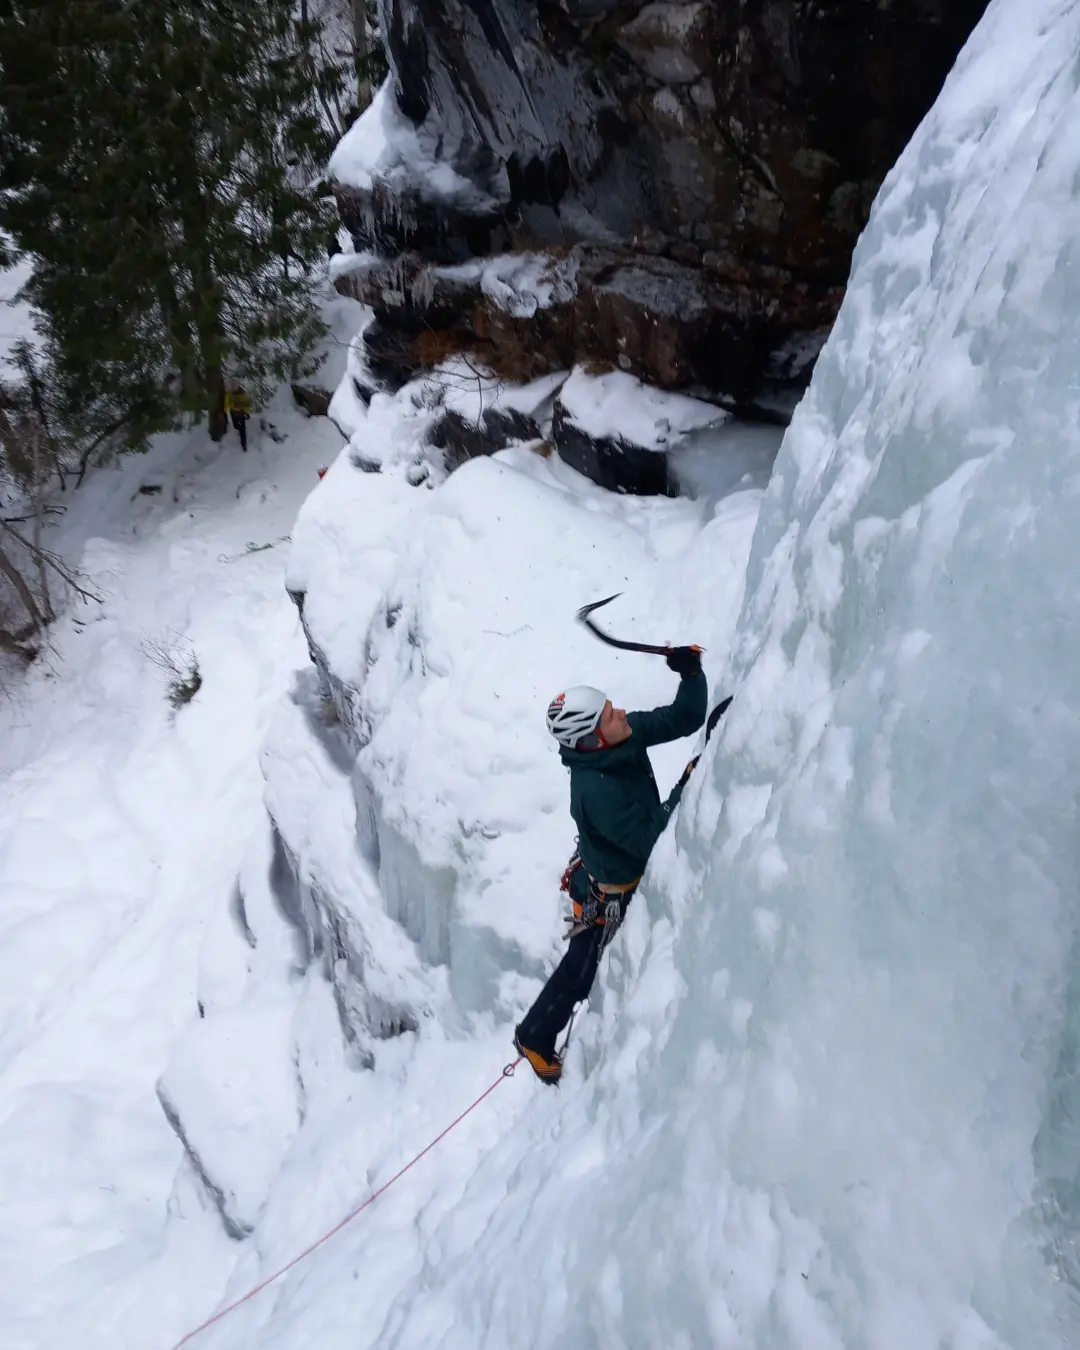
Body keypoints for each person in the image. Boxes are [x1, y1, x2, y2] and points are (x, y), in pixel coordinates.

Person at [514, 646, 707, 1084]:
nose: (621, 712)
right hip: (612, 888)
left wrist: (691, 674)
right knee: (580, 974)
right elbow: (650, 841)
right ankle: (534, 1036)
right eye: (608, 715)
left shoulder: (620, 733)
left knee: (582, 968)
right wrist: (688, 781)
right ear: (592, 740)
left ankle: (534, 1033)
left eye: (611, 707)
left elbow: (681, 718)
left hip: (608, 867)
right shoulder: (594, 792)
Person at [224, 383, 253, 451]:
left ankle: (243, 444)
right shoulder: (242, 393)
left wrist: (225, 409)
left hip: (236, 413)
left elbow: (226, 404)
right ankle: (243, 444)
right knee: (241, 428)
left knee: (240, 428)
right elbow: (247, 404)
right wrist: (247, 413)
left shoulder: (231, 394)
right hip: (239, 413)